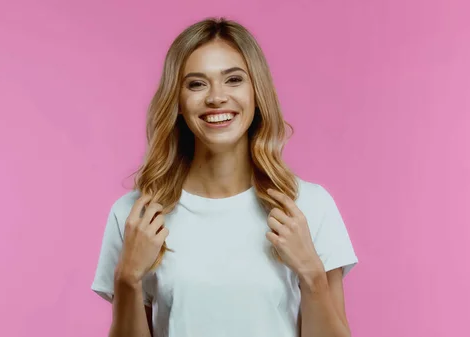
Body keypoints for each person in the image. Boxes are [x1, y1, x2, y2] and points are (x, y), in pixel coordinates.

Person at [91, 17, 359, 337]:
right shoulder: (137, 217)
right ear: (177, 101)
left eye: (233, 80)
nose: (216, 97)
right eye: (196, 83)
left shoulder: (309, 207)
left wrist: (312, 274)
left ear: (256, 91)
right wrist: (127, 277)